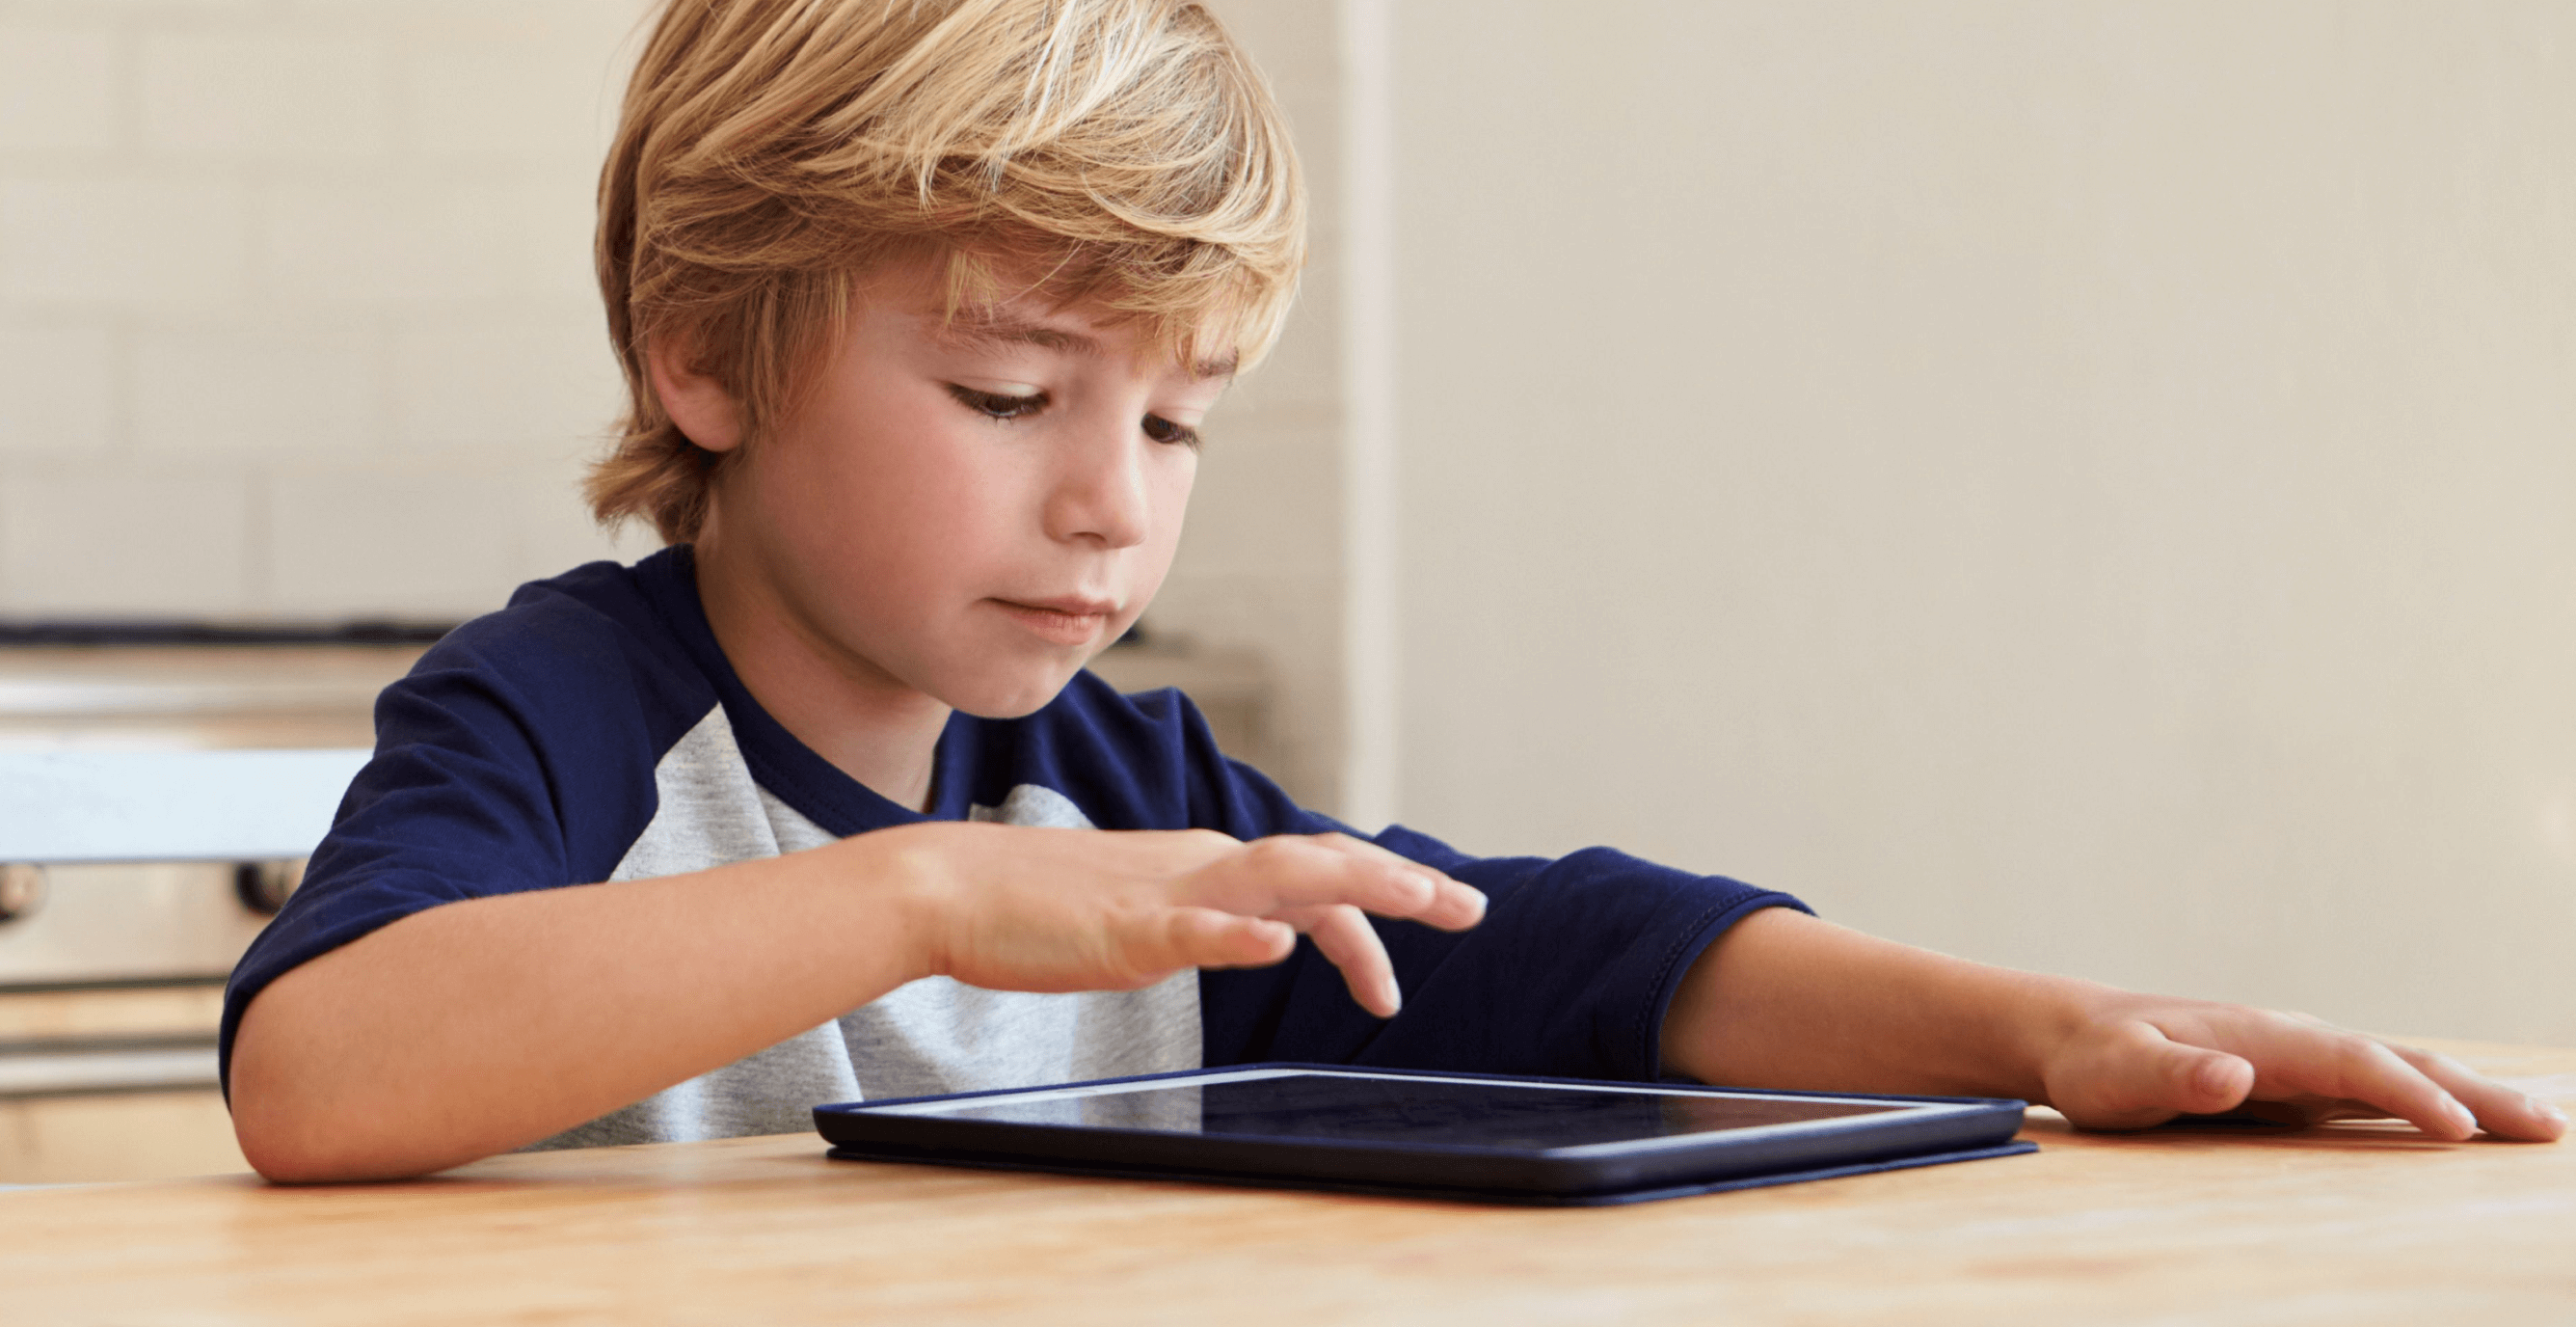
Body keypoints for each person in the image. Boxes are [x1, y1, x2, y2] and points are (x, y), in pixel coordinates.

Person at [223, 0, 2563, 1183]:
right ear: (702, 355)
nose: (1108, 513)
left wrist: (2042, 1030)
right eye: (1012, 391)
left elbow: (1553, 949)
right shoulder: (558, 712)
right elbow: (319, 1073)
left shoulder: (1110, 778)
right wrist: (928, 899)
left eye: (1169, 425)